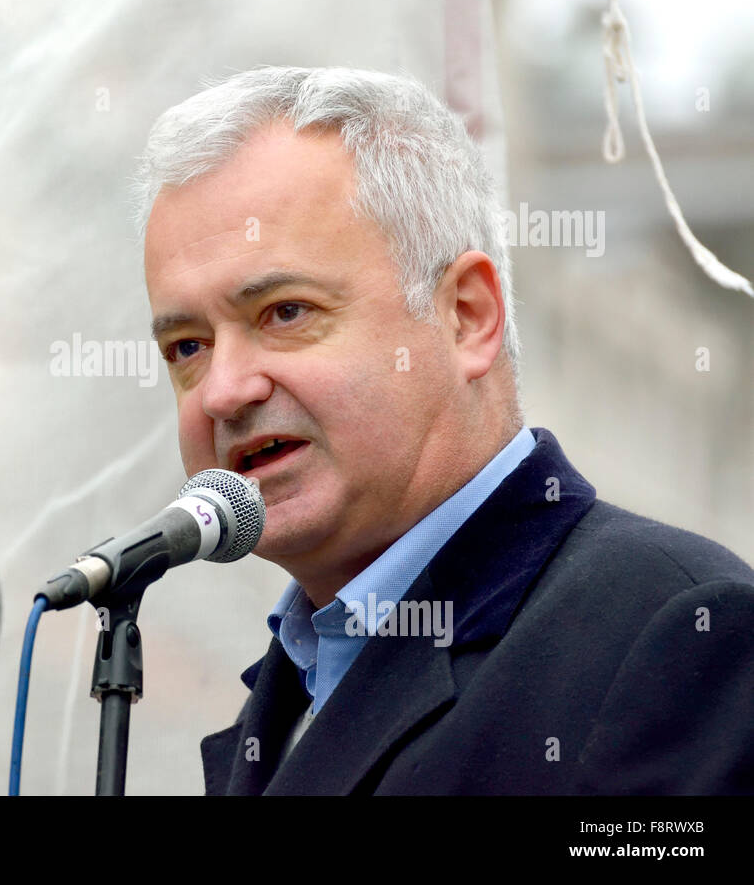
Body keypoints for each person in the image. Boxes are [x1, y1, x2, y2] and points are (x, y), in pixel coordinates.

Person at [133, 66, 754, 794]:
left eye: (286, 312)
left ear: (466, 316)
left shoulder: (679, 634)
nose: (223, 391)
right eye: (187, 347)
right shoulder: (297, 682)